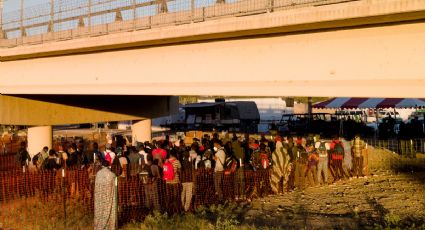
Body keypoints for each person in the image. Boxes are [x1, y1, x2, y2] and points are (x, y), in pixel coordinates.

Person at [231, 134, 245, 200]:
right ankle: (239, 194)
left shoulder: (240, 146)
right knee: (239, 180)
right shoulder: (235, 145)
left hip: (238, 164)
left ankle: (239, 194)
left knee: (239, 180)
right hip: (237, 164)